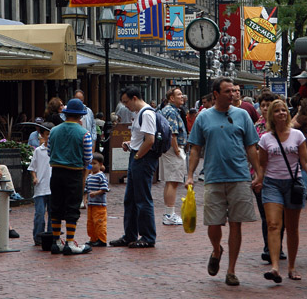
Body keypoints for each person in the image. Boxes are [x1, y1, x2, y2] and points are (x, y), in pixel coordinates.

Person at [186, 77, 261, 287]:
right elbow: (195, 148)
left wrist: (258, 173)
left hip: (239, 176)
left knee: (236, 223)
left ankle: (231, 270)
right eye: (227, 91)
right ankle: (217, 249)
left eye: (234, 91)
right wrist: (190, 174)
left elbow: (251, 146)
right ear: (216, 94)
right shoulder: (203, 117)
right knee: (213, 223)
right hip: (213, 176)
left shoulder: (243, 115)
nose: (233, 94)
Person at [255, 99, 307, 283]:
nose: (281, 113)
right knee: (273, 225)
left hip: (293, 184)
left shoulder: (298, 135)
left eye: (283, 110)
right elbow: (262, 164)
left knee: (292, 228)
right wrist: (258, 179)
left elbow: (304, 162)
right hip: (272, 185)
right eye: (277, 111)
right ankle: (275, 267)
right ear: (271, 115)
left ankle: (291, 267)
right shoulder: (265, 139)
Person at [110, 85, 158, 248]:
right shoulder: (139, 114)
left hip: (142, 159)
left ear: (135, 98)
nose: (125, 105)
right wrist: (131, 145)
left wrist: (137, 155)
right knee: (130, 199)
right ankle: (130, 234)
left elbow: (150, 140)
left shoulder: (147, 113)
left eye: (126, 101)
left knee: (142, 199)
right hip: (137, 156)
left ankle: (148, 236)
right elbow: (142, 139)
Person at [47, 98, 93, 255]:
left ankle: (56, 241)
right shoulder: (84, 133)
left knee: (56, 206)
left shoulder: (53, 131)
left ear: (66, 114)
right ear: (80, 116)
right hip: (74, 173)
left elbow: (49, 152)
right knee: (72, 207)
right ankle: (70, 242)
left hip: (56, 172)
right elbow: (88, 158)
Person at [253, 91, 286, 263]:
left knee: (281, 216)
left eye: (268, 105)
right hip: (262, 177)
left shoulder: (286, 129)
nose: (264, 109)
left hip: (282, 176)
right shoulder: (256, 127)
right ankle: (270, 247)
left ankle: (277, 246)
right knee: (266, 215)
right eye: (262, 105)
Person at [160, 87, 187, 226]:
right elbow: (172, 133)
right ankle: (169, 214)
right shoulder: (171, 112)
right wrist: (177, 150)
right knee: (173, 181)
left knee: (170, 181)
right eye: (178, 94)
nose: (182, 96)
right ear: (171, 98)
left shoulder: (168, 110)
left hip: (168, 150)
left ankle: (168, 212)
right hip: (172, 149)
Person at [27, 122, 54, 246]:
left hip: (53, 187)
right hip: (40, 187)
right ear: (42, 135)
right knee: (39, 213)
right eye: (47, 134)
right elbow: (32, 167)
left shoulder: (57, 150)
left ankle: (51, 236)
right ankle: (38, 237)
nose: (49, 137)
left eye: (51, 134)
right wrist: (34, 178)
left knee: (53, 214)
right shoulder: (38, 150)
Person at [83, 152, 109, 246]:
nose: (92, 166)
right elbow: (86, 189)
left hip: (99, 204)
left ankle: (102, 240)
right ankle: (93, 238)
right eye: (91, 164)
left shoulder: (101, 176)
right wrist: (85, 198)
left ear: (101, 164)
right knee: (91, 223)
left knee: (99, 222)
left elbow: (105, 188)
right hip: (91, 204)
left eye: (94, 163)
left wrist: (96, 193)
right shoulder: (89, 176)